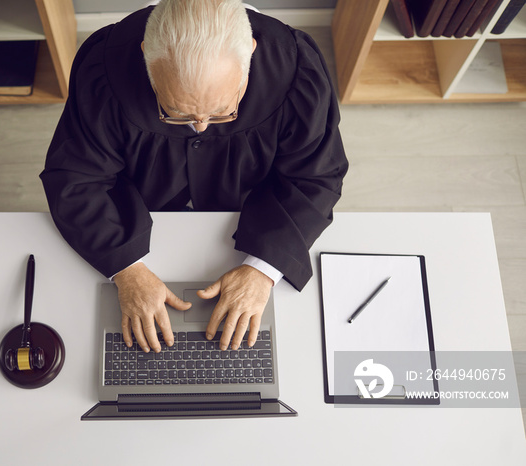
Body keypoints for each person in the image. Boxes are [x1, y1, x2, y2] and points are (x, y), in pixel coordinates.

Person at [40, 0, 348, 354]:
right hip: (141, 211)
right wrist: (126, 270)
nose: (200, 126)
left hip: (248, 216)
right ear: (146, 58)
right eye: (175, 112)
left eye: (222, 111)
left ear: (249, 52)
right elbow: (76, 178)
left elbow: (316, 176)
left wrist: (264, 268)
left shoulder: (296, 70)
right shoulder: (104, 69)